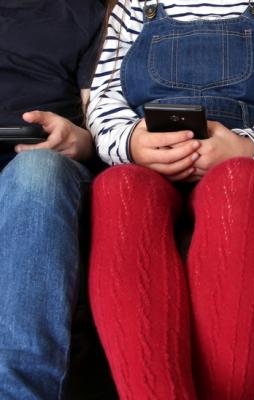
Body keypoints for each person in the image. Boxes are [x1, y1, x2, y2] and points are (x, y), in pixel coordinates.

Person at [87, 0, 254, 398]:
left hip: (239, 153)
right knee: (119, 188)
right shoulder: (134, 4)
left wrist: (249, 148)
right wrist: (131, 143)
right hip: (150, 158)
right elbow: (104, 96)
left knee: (239, 182)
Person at [0, 0, 105, 398]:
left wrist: (78, 139)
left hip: (41, 161)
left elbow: (101, 122)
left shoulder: (87, 14)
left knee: (37, 170)